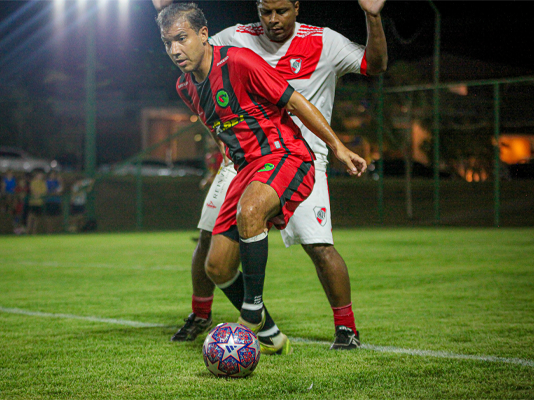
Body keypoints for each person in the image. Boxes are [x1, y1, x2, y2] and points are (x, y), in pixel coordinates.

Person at [157, 0, 387, 351]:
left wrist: (338, 147)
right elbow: (180, 28)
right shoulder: (196, 75)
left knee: (312, 243)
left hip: (288, 152)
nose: (175, 49)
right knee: (216, 265)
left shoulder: (249, 56)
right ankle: (264, 331)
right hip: (242, 165)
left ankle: (261, 316)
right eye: (266, 11)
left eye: (281, 11)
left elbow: (298, 100)